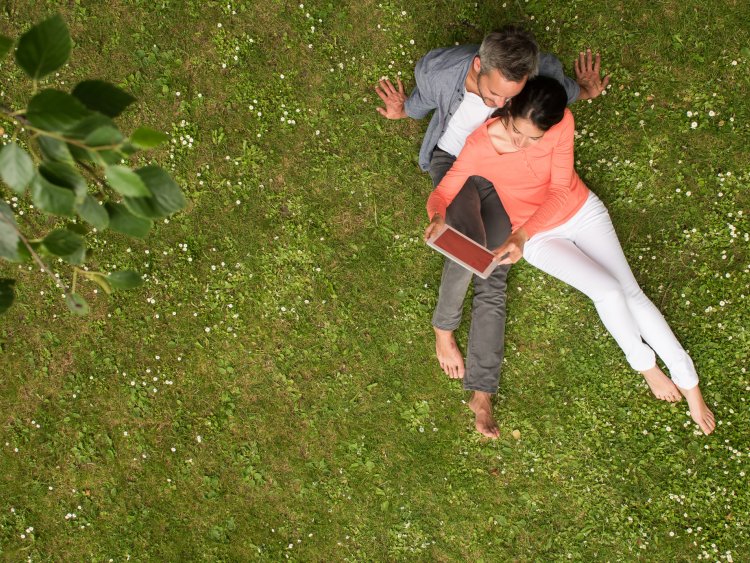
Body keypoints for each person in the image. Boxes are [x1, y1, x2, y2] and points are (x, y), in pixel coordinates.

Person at [424, 75, 716, 437]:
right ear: (508, 108)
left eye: (534, 138)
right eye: (517, 132)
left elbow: (561, 190)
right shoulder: (479, 144)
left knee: (630, 293)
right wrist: (437, 216)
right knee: (608, 291)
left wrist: (520, 234)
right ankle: (646, 367)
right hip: (540, 238)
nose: (523, 144)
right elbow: (445, 190)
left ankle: (691, 386)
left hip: (580, 213)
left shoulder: (562, 124)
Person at [376, 27, 609, 436]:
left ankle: (481, 391)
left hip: (501, 179)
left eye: (509, 99)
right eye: (494, 96)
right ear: (479, 67)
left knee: (495, 268)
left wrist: (583, 91)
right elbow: (422, 102)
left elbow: (555, 97)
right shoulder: (440, 70)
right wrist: (405, 111)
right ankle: (443, 329)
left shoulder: (535, 79)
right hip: (454, 163)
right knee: (468, 249)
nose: (501, 105)